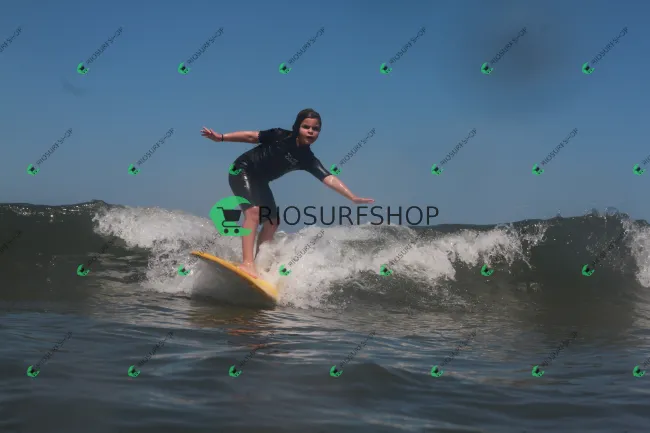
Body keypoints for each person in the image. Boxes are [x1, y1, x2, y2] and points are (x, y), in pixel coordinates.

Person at [200, 108, 374, 278]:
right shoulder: (280, 135)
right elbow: (251, 136)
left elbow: (328, 177)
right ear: (297, 127)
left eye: (315, 129)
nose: (311, 131)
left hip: (260, 181)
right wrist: (221, 137)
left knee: (272, 221)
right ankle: (247, 263)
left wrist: (352, 197)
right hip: (242, 170)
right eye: (306, 127)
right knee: (253, 212)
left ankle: (258, 264)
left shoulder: (307, 159)